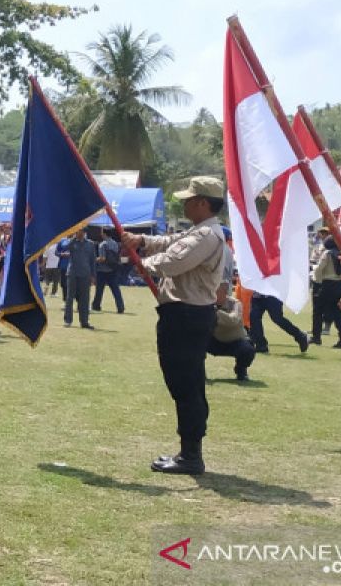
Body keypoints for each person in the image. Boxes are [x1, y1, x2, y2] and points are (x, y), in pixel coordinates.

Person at [122, 176, 226, 476]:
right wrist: (141, 241)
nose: (185, 203)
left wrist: (143, 264)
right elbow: (171, 242)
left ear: (203, 203)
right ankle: (188, 450)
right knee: (185, 384)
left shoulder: (206, 235)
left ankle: (191, 456)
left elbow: (173, 260)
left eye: (190, 200)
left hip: (187, 315)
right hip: (184, 313)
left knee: (186, 385)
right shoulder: (199, 231)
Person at [206, 244, 256, 382]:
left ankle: (241, 371)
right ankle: (199, 372)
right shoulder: (206, 304)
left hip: (234, 342)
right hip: (212, 341)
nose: (218, 293)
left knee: (248, 349)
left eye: (221, 289)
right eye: (216, 290)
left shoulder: (235, 303)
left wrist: (215, 313)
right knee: (194, 342)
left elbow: (233, 320)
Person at [311, 236, 341, 347]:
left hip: (327, 283)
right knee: (338, 312)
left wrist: (317, 282)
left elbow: (319, 269)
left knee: (318, 311)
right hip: (340, 285)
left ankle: (316, 337)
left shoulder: (327, 253)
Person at [63, 227, 96, 329]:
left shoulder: (90, 244)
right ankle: (68, 320)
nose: (79, 232)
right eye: (77, 231)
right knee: (69, 298)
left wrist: (93, 276)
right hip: (72, 274)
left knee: (85, 299)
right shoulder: (72, 243)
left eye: (81, 231)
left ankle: (84, 322)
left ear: (84, 232)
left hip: (85, 274)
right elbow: (64, 247)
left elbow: (92, 261)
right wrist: (73, 238)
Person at [91, 227, 125, 314]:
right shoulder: (115, 244)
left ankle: (96, 306)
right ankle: (120, 307)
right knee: (115, 289)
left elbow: (102, 258)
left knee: (99, 290)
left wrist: (94, 259)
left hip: (102, 270)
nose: (101, 234)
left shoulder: (102, 244)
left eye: (102, 232)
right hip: (113, 269)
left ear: (105, 234)